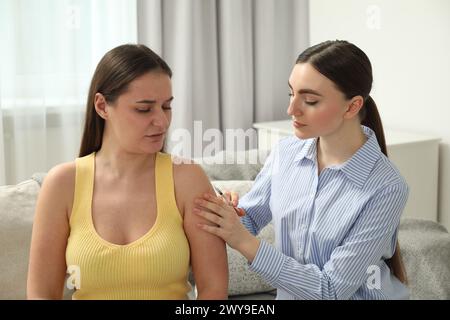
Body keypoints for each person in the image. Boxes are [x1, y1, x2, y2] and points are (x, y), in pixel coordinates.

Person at [194, 40, 409, 300]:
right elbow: (248, 219)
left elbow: (330, 290)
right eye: (291, 94)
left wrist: (244, 241)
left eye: (309, 100)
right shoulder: (287, 152)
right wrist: (227, 214)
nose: (291, 110)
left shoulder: (387, 187)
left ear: (351, 106)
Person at [27, 44, 228, 300]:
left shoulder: (187, 179)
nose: (162, 121)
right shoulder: (62, 184)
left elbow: (214, 291)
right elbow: (41, 295)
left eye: (166, 106)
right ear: (102, 106)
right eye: (144, 109)